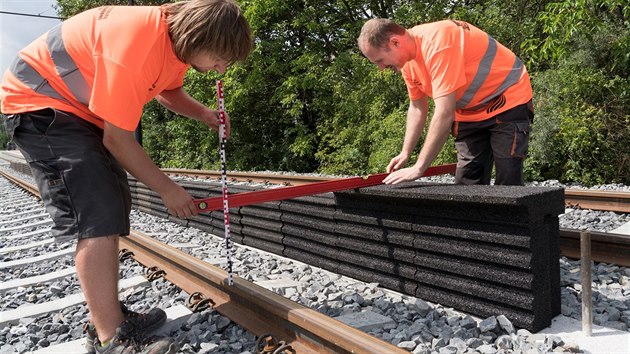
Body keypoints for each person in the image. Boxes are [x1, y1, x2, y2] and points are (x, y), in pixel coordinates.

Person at [0, 0, 252, 353]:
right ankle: (109, 339)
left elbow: (168, 90)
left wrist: (204, 114)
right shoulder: (137, 43)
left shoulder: (174, 46)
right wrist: (168, 190)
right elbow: (118, 140)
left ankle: (107, 315)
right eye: (220, 58)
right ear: (200, 36)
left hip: (73, 111)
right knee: (96, 211)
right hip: (39, 105)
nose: (220, 68)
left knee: (114, 199)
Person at [358, 18, 534, 185]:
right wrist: (406, 152)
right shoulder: (407, 64)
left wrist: (419, 167)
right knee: (468, 182)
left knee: (508, 181)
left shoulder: (438, 43)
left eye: (380, 61)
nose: (381, 68)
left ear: (395, 42)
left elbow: (444, 112)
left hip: (506, 100)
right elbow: (417, 108)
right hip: (469, 114)